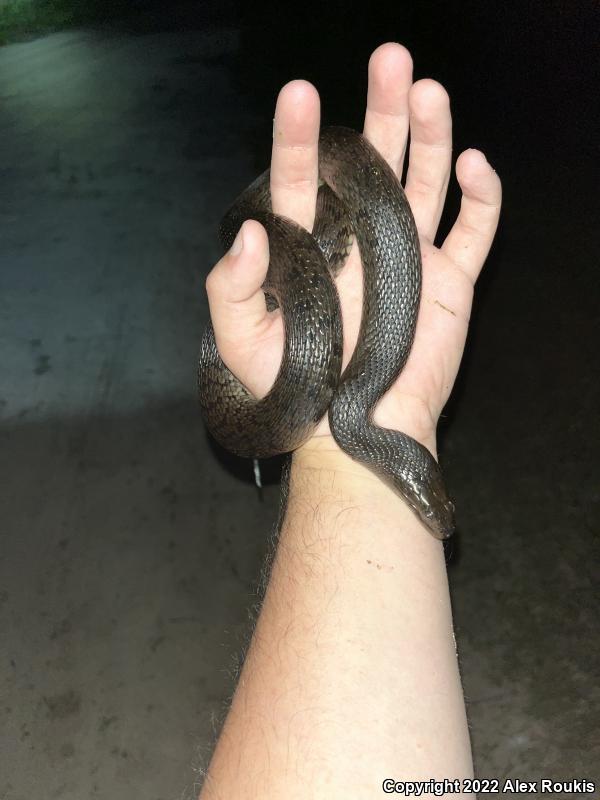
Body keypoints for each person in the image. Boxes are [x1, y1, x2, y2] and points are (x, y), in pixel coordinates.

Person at [199, 42, 502, 799]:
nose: (436, 513)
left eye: (430, 498)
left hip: (358, 399)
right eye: (426, 496)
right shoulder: (350, 405)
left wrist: (388, 417)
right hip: (337, 378)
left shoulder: (368, 405)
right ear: (409, 471)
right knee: (261, 232)